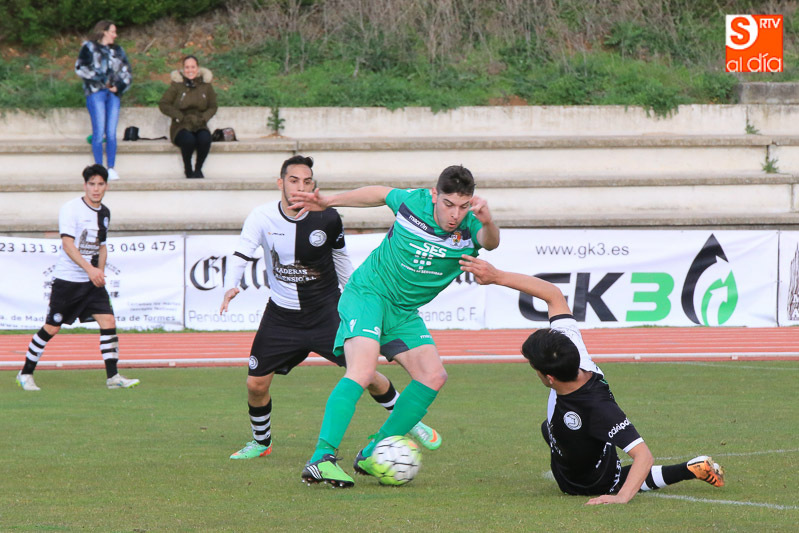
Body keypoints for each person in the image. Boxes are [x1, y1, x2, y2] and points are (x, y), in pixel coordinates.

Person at [290, 164, 500, 487]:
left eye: (462, 206)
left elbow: (491, 242)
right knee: (362, 370)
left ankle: (373, 452)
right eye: (448, 204)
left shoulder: (471, 226)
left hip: (403, 311)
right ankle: (321, 457)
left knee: (433, 375)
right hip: (369, 293)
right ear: (435, 195)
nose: (455, 214)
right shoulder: (413, 202)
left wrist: (487, 221)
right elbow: (378, 193)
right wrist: (329, 201)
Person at [220, 155, 442, 460]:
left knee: (366, 374)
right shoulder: (261, 216)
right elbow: (242, 252)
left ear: (314, 185)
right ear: (280, 183)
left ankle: (410, 420)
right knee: (256, 384)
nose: (300, 187)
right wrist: (231, 284)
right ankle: (261, 443)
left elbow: (341, 259)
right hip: (281, 316)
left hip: (327, 313)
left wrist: (357, 297)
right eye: (293, 180)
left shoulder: (327, 217)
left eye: (307, 181)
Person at [458, 255, 725, 505]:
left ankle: (687, 469)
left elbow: (643, 456)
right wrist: (497, 276)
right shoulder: (569, 349)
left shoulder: (598, 409)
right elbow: (552, 294)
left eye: (533, 368)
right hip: (581, 436)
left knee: (608, 479)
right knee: (550, 428)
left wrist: (621, 499)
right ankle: (690, 468)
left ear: (549, 377)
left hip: (586, 481)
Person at [15, 165, 140, 391]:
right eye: (92, 184)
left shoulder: (104, 213)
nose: (96, 189)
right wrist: (90, 270)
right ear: (85, 185)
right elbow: (68, 244)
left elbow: (102, 246)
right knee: (52, 328)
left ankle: (113, 377)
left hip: (91, 282)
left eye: (100, 184)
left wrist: (99, 272)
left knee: (108, 322)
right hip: (68, 281)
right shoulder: (71, 208)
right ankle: (25, 373)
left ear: (106, 186)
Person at [75, 20, 132, 182]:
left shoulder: (118, 50)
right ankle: (99, 168)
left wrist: (118, 86)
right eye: (112, 31)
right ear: (104, 31)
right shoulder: (89, 47)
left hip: (113, 95)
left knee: (111, 133)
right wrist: (102, 80)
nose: (115, 35)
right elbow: (80, 68)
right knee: (99, 132)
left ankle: (111, 167)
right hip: (96, 93)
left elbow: (127, 72)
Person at [158, 55, 218, 179]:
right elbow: (164, 104)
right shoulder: (177, 86)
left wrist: (204, 118)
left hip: (200, 122)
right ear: (183, 69)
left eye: (193, 67)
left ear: (198, 68)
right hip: (181, 124)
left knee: (205, 139)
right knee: (188, 140)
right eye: (187, 67)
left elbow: (213, 106)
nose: (190, 70)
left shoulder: (206, 86)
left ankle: (198, 168)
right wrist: (179, 116)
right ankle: (188, 168)